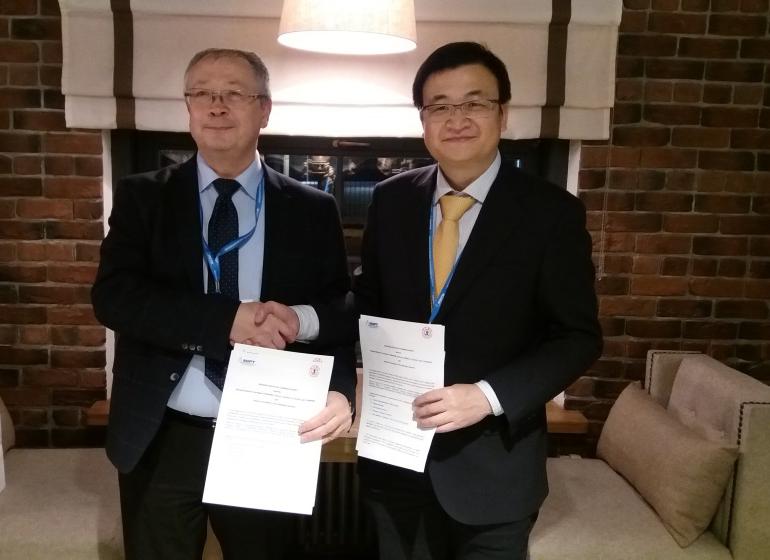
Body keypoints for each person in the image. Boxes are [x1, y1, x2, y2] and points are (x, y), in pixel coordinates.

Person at [91, 48, 356, 560]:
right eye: (202, 93)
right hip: (162, 433)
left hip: (269, 432)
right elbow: (114, 298)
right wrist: (224, 320)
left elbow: (338, 312)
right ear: (188, 108)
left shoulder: (312, 208)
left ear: (265, 109)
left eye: (234, 93)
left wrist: (342, 391)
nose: (216, 105)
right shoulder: (143, 197)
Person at [352, 42, 602, 559]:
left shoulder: (550, 214)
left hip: (495, 472)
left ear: (503, 114)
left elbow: (577, 338)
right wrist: (307, 327)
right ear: (423, 120)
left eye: (474, 103)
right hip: (396, 458)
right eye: (440, 106)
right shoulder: (391, 200)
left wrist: (487, 396)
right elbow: (367, 304)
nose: (457, 119)